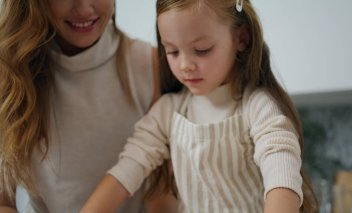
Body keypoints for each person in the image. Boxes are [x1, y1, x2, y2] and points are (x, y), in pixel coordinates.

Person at [81, 0, 319, 212]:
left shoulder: (257, 107)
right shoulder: (168, 112)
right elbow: (127, 170)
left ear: (241, 39)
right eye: (172, 51)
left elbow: (282, 176)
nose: (185, 65)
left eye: (201, 50)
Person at [0, 0, 176, 212]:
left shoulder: (152, 67)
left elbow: (162, 199)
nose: (83, 9)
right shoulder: (10, 75)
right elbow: (4, 202)